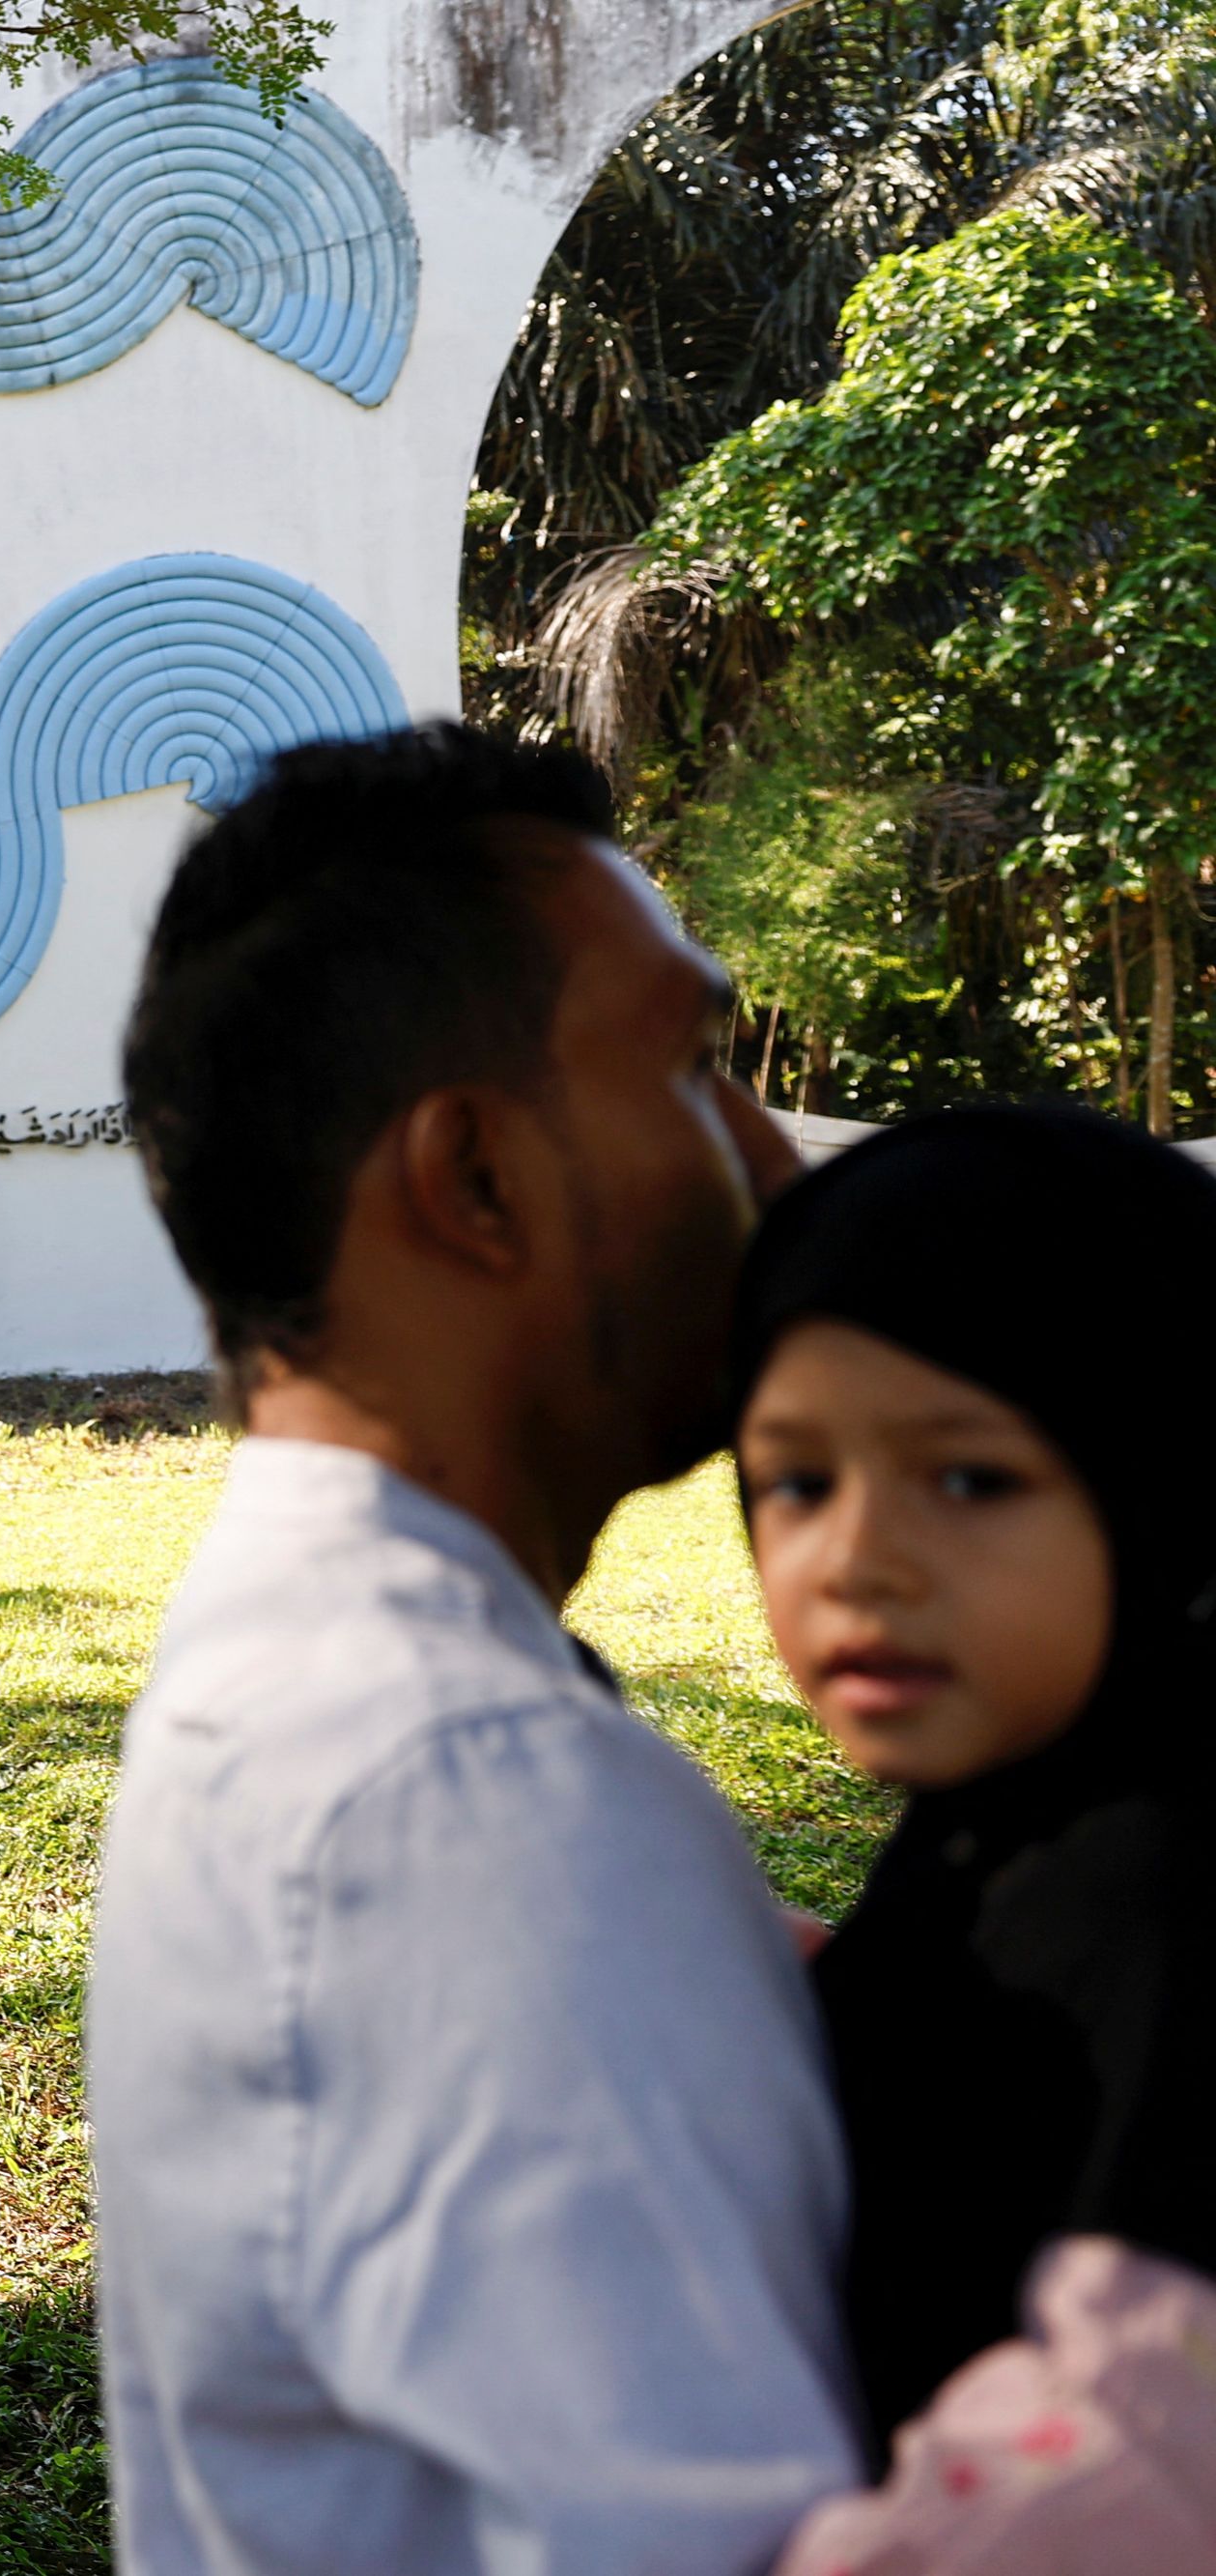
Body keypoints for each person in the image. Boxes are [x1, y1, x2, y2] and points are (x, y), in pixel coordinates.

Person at [93, 726, 857, 2573]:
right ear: (477, 1177)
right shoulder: (470, 1791)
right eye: (691, 1068)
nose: (773, 1156)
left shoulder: (323, 1676)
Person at [725, 1106, 1216, 2445]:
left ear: (1166, 1480)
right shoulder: (1001, 1826)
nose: (856, 1560)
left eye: (969, 1477)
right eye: (797, 1480)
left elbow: (1135, 2443)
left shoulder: (1159, 1891)